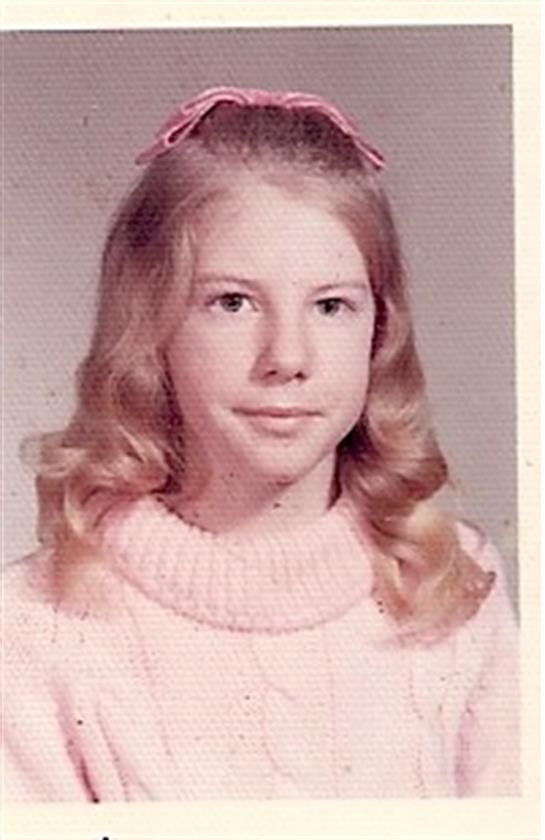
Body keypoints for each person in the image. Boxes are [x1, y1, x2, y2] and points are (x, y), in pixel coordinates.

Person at [3, 86, 519, 801]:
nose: (286, 356)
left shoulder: (450, 582)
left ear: (379, 331)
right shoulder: (34, 628)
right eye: (232, 302)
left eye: (331, 305)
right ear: (149, 327)